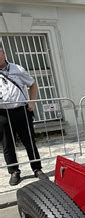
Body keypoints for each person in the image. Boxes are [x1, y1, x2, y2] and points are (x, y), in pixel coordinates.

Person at [0, 47, 48, 186]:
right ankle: (14, 171)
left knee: (29, 141)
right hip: (3, 113)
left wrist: (32, 102)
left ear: (4, 53)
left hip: (21, 111)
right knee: (7, 144)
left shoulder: (18, 69)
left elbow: (33, 85)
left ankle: (37, 169)